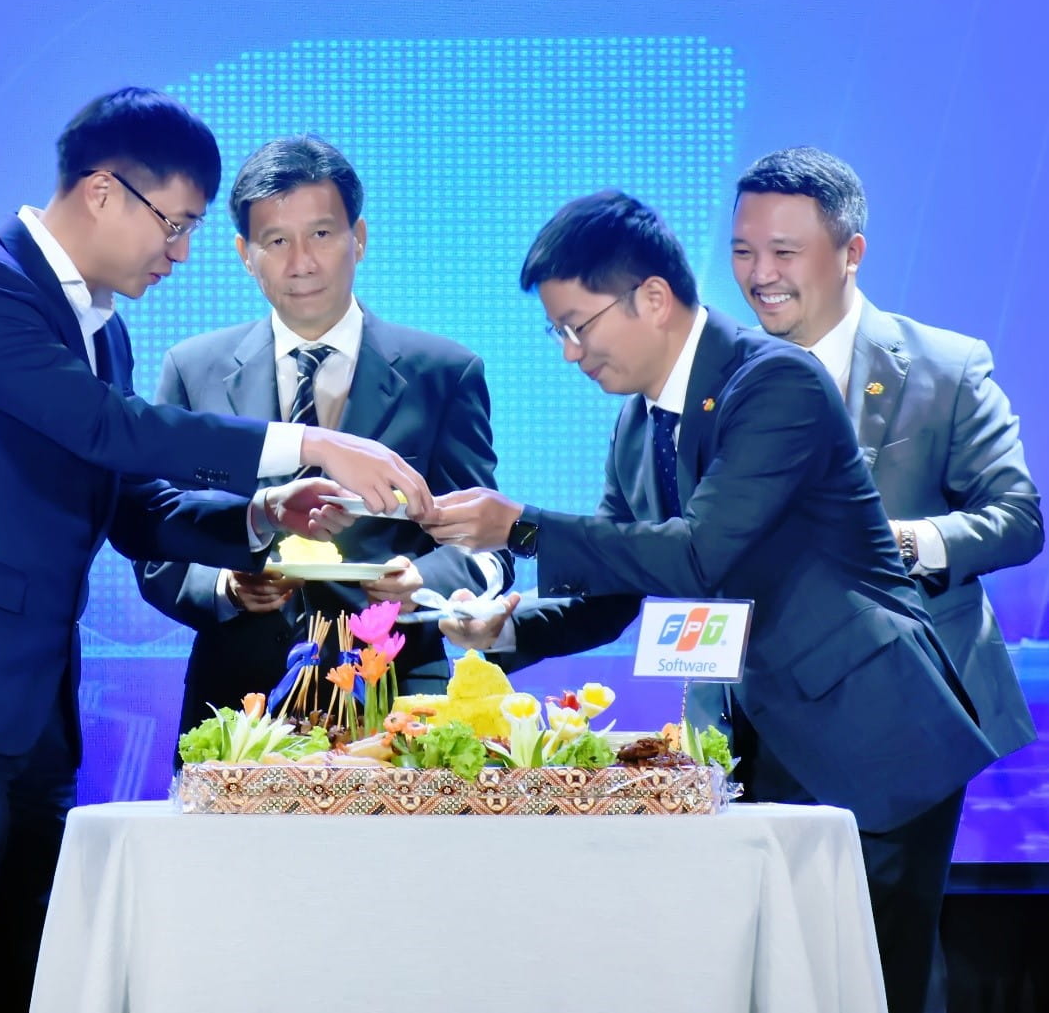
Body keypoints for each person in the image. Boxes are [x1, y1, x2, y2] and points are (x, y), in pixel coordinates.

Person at [0, 88, 432, 1013]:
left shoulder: (96, 328)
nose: (181, 253)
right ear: (105, 192)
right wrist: (305, 442)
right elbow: (106, 429)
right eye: (177, 224)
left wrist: (266, 516)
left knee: (20, 976)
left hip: (28, 707)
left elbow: (136, 508)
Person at [426, 189, 998, 1013]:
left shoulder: (773, 383)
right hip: (757, 736)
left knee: (875, 983)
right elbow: (618, 589)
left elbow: (697, 555)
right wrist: (503, 626)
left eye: (577, 325)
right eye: (557, 330)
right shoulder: (636, 423)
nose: (568, 352)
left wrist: (519, 526)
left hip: (867, 731)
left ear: (652, 298)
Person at [135, 135, 511, 730]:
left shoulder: (442, 373)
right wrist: (226, 586)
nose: (300, 262)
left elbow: (485, 541)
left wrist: (423, 583)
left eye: (322, 235)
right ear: (243, 252)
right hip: (236, 698)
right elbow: (155, 540)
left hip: (400, 689)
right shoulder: (193, 368)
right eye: (276, 241)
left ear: (358, 239)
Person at [731, 146, 1042, 761]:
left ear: (852, 253)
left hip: (910, 711)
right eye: (744, 252)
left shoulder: (947, 368)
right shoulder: (715, 379)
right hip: (754, 721)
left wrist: (900, 541)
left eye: (784, 253)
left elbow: (1018, 519)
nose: (760, 274)